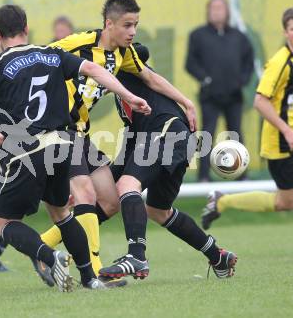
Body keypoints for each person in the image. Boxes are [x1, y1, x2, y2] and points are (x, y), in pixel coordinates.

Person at [0, 0, 197, 286]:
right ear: (109, 24)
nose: (133, 32)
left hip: (81, 134)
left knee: (110, 202)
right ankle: (96, 274)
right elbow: (34, 59)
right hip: (57, 132)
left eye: (136, 25)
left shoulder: (125, 54)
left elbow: (151, 79)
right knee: (83, 196)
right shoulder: (77, 44)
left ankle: (43, 251)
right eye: (127, 25)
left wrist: (186, 102)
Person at [0, 4, 150, 291]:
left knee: (4, 223)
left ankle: (50, 256)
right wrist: (128, 95)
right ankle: (90, 279)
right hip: (64, 145)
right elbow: (93, 70)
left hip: (29, 153)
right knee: (62, 214)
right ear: (26, 29)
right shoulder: (52, 55)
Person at [97, 43, 237, 280]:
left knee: (127, 187)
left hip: (169, 133)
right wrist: (96, 183)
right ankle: (218, 256)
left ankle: (136, 256)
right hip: (174, 139)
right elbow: (127, 153)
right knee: (158, 211)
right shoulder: (124, 101)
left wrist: (112, 57)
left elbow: (140, 52)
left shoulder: (123, 67)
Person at [201, 7, 293, 230]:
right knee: (284, 202)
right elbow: (260, 101)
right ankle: (223, 201)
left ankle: (222, 201)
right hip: (282, 145)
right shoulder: (281, 63)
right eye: (292, 29)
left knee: (284, 202)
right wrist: (287, 130)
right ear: (285, 33)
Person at [185, 0, 254, 182]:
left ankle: (241, 175)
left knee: (236, 133)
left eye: (220, 8)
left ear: (227, 12)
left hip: (234, 95)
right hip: (210, 96)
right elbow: (190, 63)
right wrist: (205, 79)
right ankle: (204, 176)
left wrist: (242, 80)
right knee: (207, 134)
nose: (217, 11)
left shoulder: (239, 37)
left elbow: (249, 62)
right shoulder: (197, 35)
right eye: (213, 8)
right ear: (208, 11)